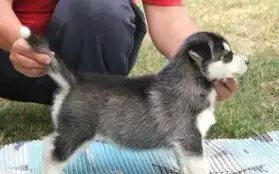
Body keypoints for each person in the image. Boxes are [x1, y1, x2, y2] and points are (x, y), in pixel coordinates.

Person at [0, 0, 238, 105]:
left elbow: (168, 18)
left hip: (87, 63)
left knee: (98, 7)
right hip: (9, 59)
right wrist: (17, 42)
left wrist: (206, 62)